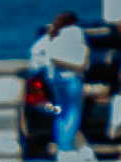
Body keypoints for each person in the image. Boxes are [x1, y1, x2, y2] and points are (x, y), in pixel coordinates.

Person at [30, 13, 91, 152]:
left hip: (57, 78)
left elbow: (37, 55)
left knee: (60, 112)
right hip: (72, 77)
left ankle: (60, 143)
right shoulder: (76, 32)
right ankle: (67, 146)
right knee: (73, 112)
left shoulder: (54, 34)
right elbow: (83, 57)